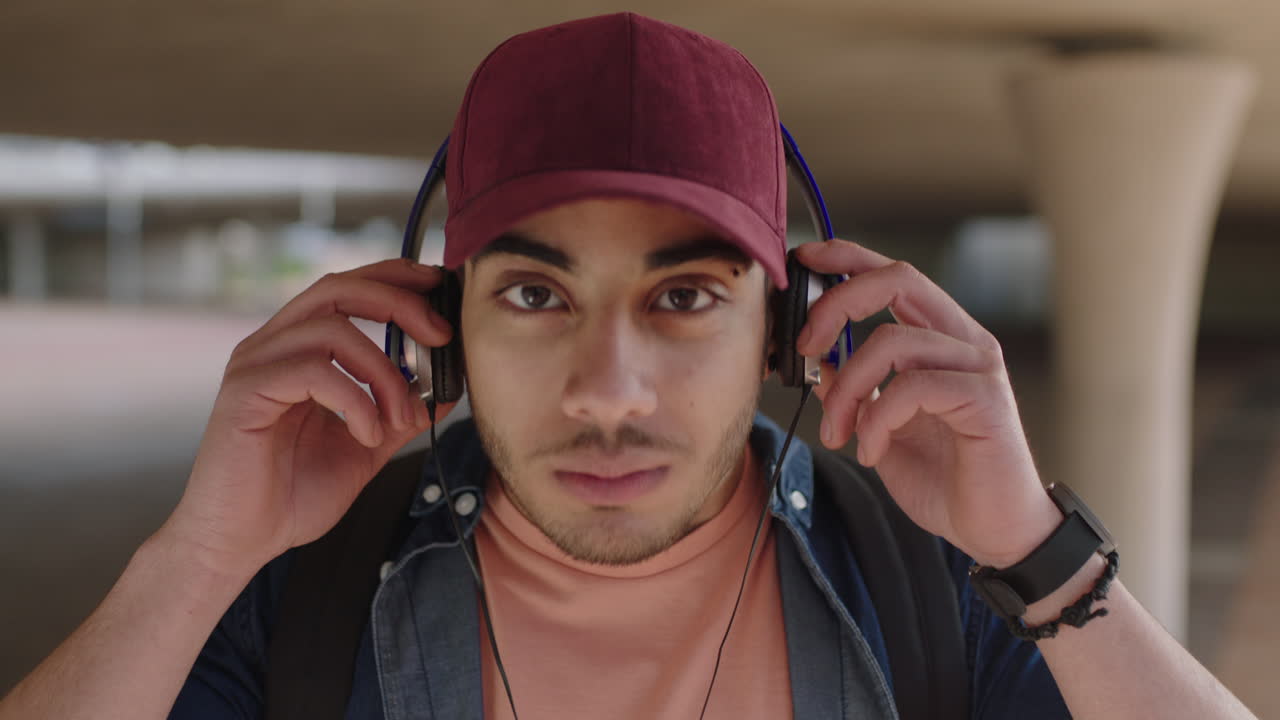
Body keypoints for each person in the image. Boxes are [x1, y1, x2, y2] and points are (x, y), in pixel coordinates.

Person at [0, 11, 1258, 720]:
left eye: (685, 297)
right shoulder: (306, 601)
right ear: (436, 332)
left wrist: (1032, 552)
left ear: (784, 330)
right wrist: (200, 557)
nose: (609, 390)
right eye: (536, 293)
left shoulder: (915, 593)